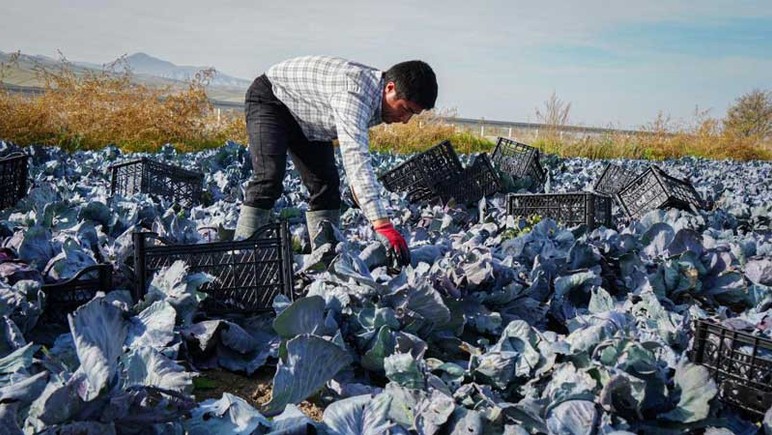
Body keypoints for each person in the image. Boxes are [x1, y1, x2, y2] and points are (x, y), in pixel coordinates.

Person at [234, 55, 438, 266]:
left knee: (327, 187)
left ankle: (327, 262)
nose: (405, 120)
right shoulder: (354, 93)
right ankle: (241, 258)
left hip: (310, 118)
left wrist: (374, 215)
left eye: (413, 114)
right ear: (390, 88)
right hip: (272, 99)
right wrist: (382, 224)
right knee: (269, 176)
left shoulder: (376, 95)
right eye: (405, 109)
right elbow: (356, 160)